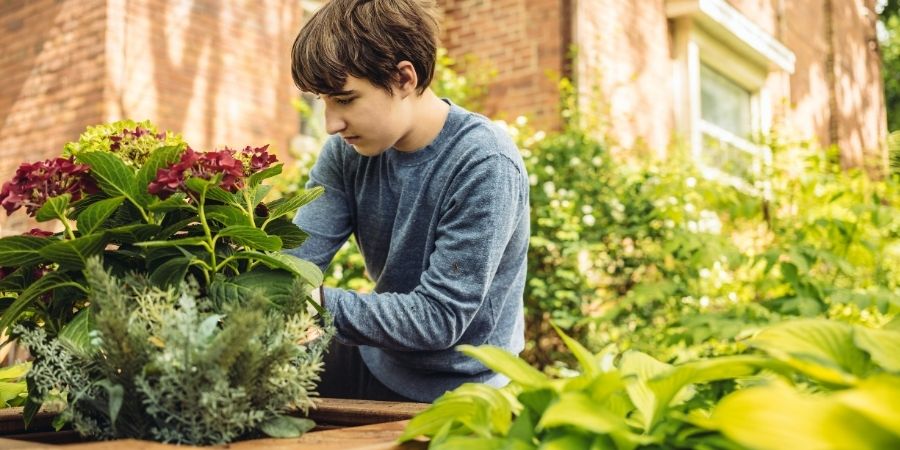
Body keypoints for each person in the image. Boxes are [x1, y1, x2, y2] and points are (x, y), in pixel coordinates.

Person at [287, 0, 529, 403]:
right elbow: (296, 261)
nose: (331, 123)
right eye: (323, 101)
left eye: (345, 100)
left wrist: (313, 302)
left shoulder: (485, 163)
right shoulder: (347, 152)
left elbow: (439, 319)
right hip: (380, 358)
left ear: (403, 78)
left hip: (463, 388)